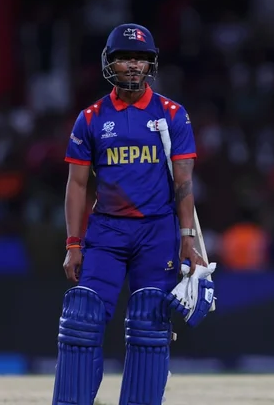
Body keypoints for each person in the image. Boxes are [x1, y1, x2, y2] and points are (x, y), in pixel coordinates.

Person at [51, 23, 212, 405]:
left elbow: (184, 185)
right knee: (82, 318)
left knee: (149, 322)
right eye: (125, 57)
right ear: (110, 63)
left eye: (141, 58)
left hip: (157, 232)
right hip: (106, 232)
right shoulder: (90, 118)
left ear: (151, 64)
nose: (134, 65)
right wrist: (74, 243)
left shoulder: (172, 115)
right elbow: (76, 186)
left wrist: (188, 241)